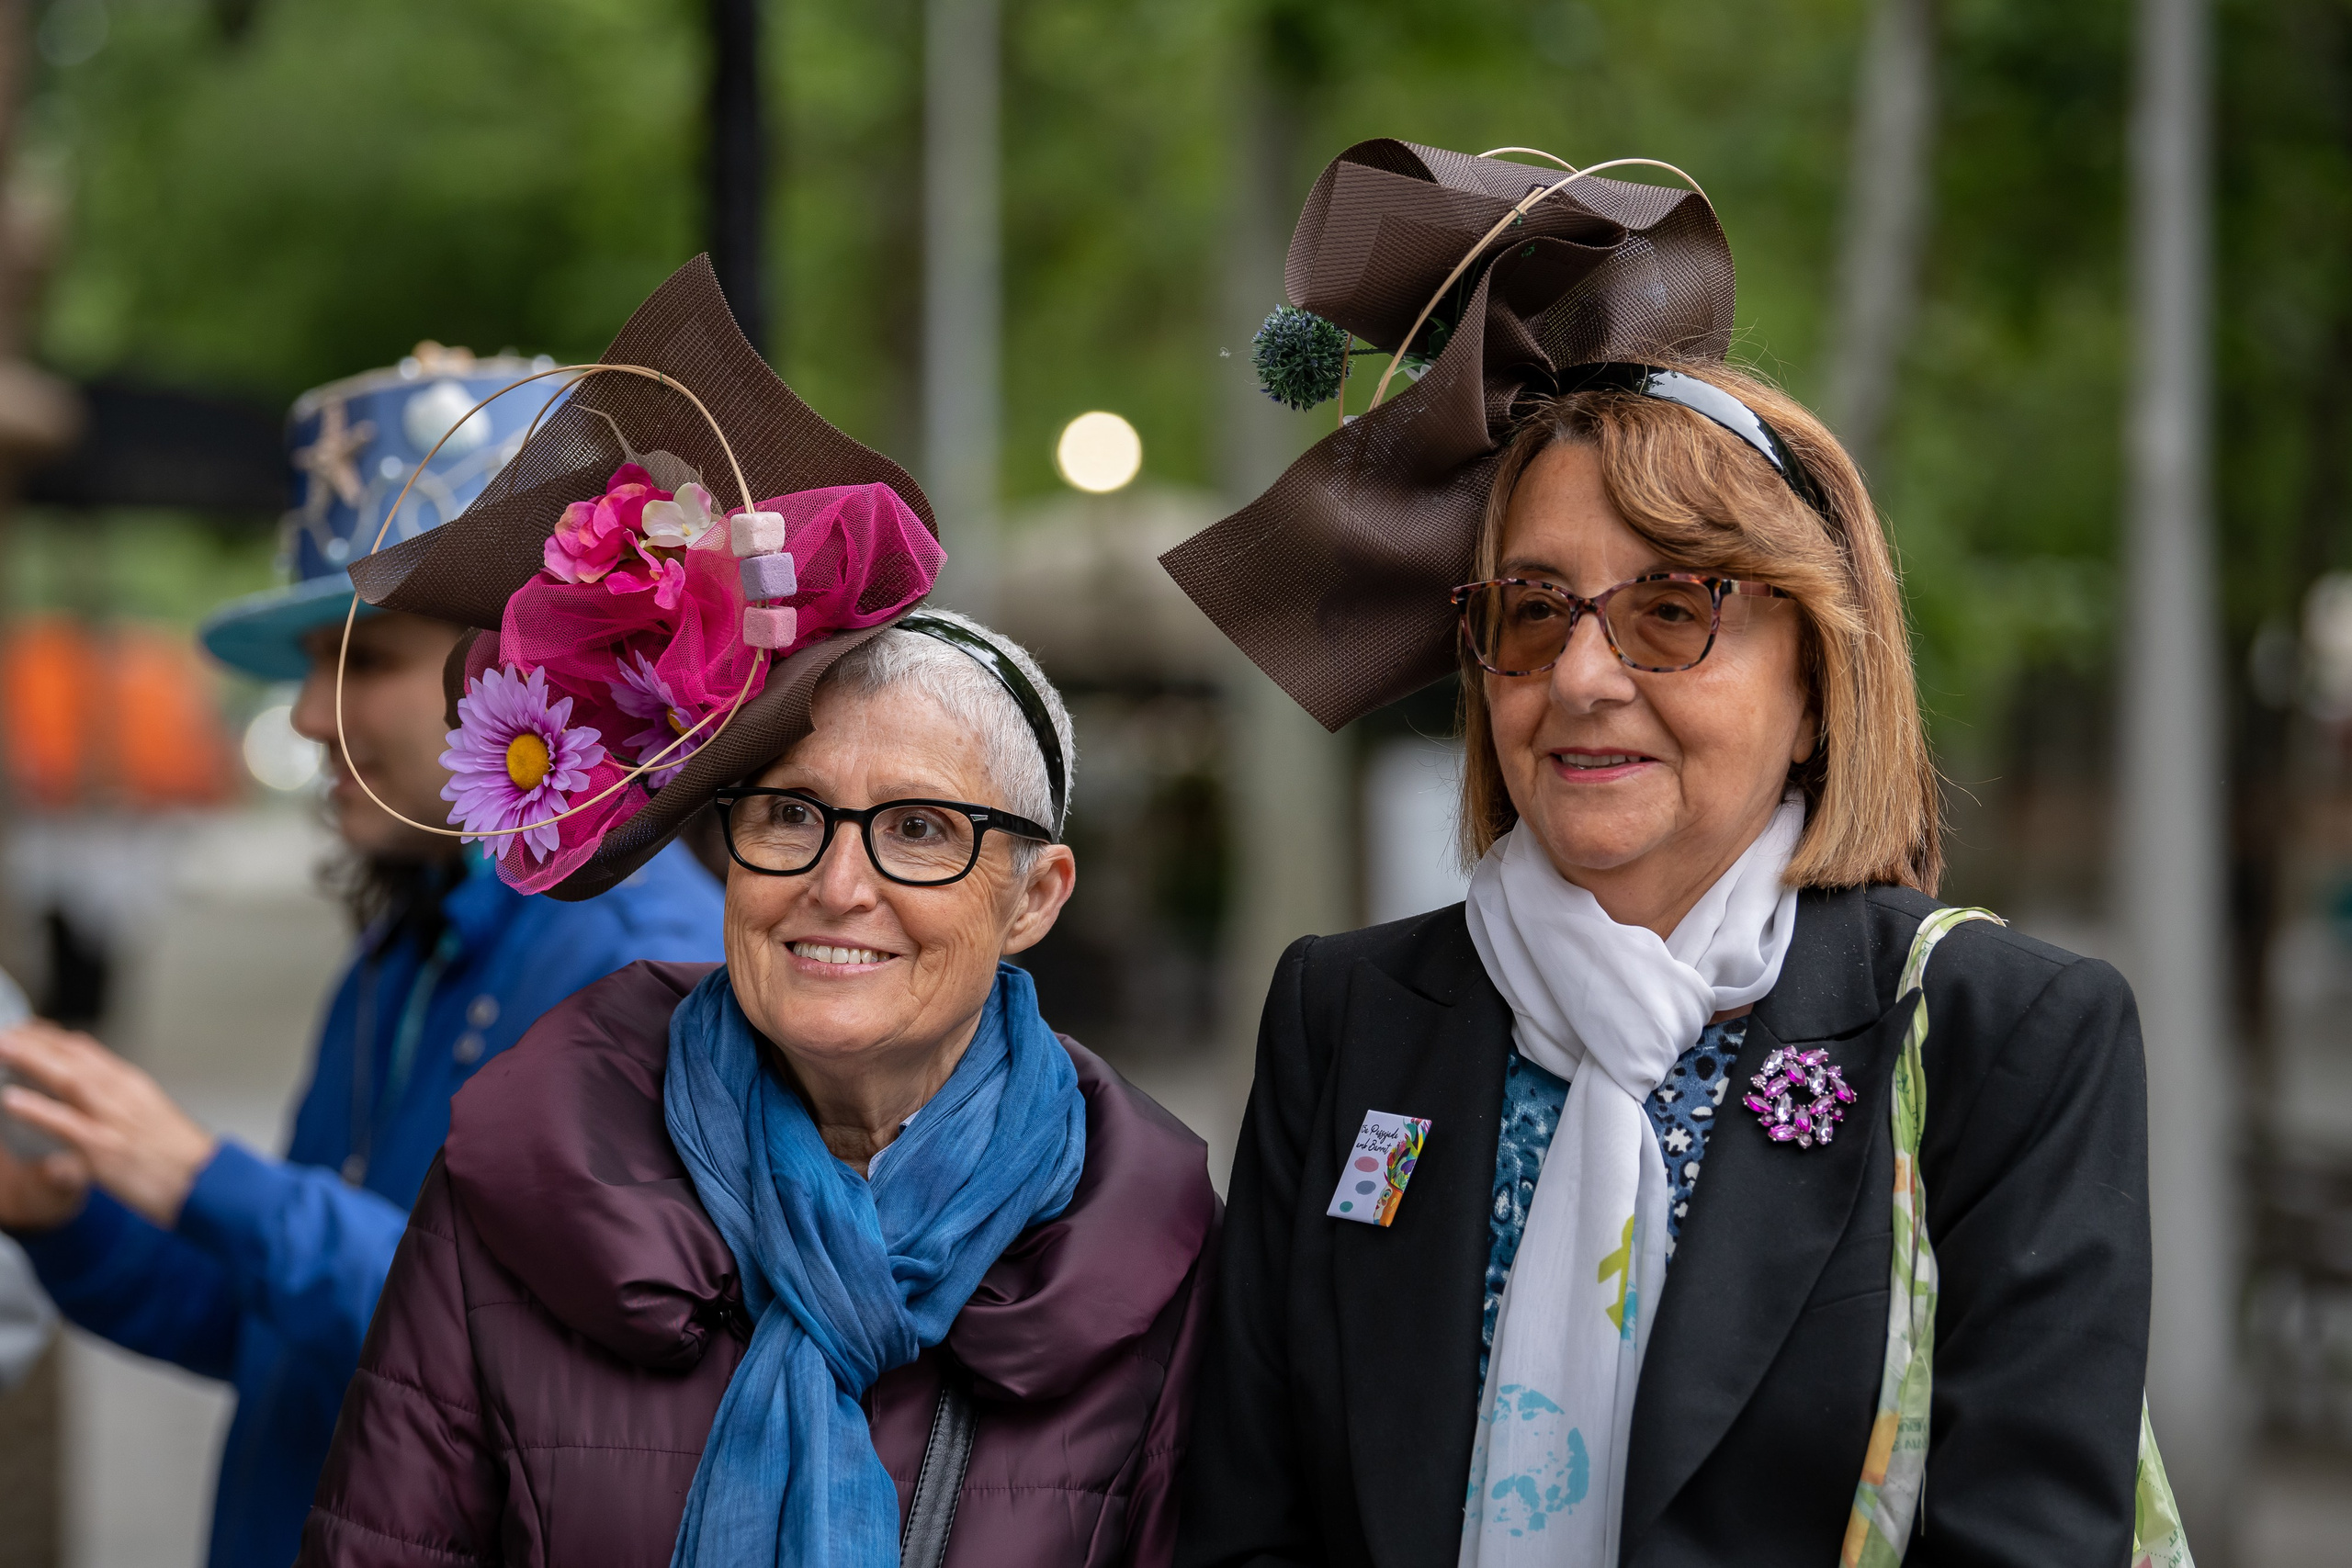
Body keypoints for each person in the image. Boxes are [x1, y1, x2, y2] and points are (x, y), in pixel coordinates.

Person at [1163, 141, 2168, 1566]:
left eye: (1673, 609)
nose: (1580, 678)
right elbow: (1245, 1528)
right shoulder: (1344, 1019)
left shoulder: (2006, 1041)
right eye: (1532, 610)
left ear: (1816, 680)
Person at [294, 259, 1219, 1568]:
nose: (840, 885)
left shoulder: (1159, 1246)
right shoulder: (519, 1165)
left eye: (920, 831)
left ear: (1034, 897)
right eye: (790, 815)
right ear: (721, 844)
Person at [0, 346, 725, 1568]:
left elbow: (541, 1364)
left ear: (527, 666)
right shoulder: (412, 937)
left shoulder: (648, 965)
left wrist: (201, 1178)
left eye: (362, 660)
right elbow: (267, 1328)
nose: (299, 715)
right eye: (309, 665)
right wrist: (69, 1213)